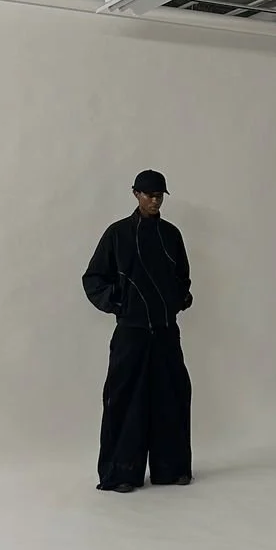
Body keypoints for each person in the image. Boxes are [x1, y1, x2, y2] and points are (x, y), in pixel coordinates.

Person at [82, 170, 193, 493]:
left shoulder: (171, 235)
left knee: (171, 396)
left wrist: (179, 300)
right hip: (130, 333)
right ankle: (121, 473)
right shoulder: (117, 234)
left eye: (159, 194)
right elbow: (93, 278)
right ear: (135, 194)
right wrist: (119, 303)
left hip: (166, 332)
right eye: (148, 194)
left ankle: (171, 469)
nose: (154, 200)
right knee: (124, 400)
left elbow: (182, 277)